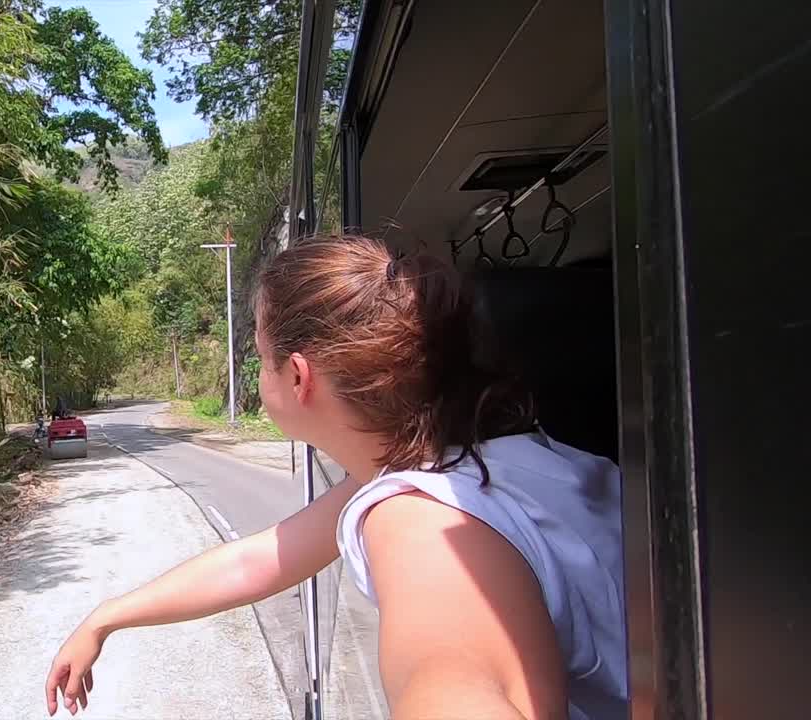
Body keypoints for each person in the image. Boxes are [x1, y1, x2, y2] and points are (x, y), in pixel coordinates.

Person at [45, 235, 627, 720]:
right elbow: (258, 560)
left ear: (298, 376)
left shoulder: (418, 520)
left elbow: (451, 682)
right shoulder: (462, 457)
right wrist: (107, 616)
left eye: (258, 350)